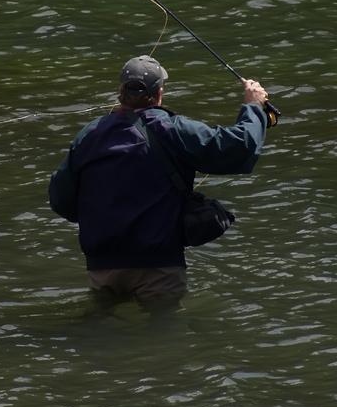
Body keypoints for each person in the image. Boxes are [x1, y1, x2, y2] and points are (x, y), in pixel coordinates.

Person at [48, 54, 273, 312]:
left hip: (102, 266)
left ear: (121, 92)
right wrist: (254, 107)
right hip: (159, 267)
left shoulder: (88, 136)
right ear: (159, 94)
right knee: (164, 335)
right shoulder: (173, 129)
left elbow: (60, 201)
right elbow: (238, 146)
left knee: (103, 333)